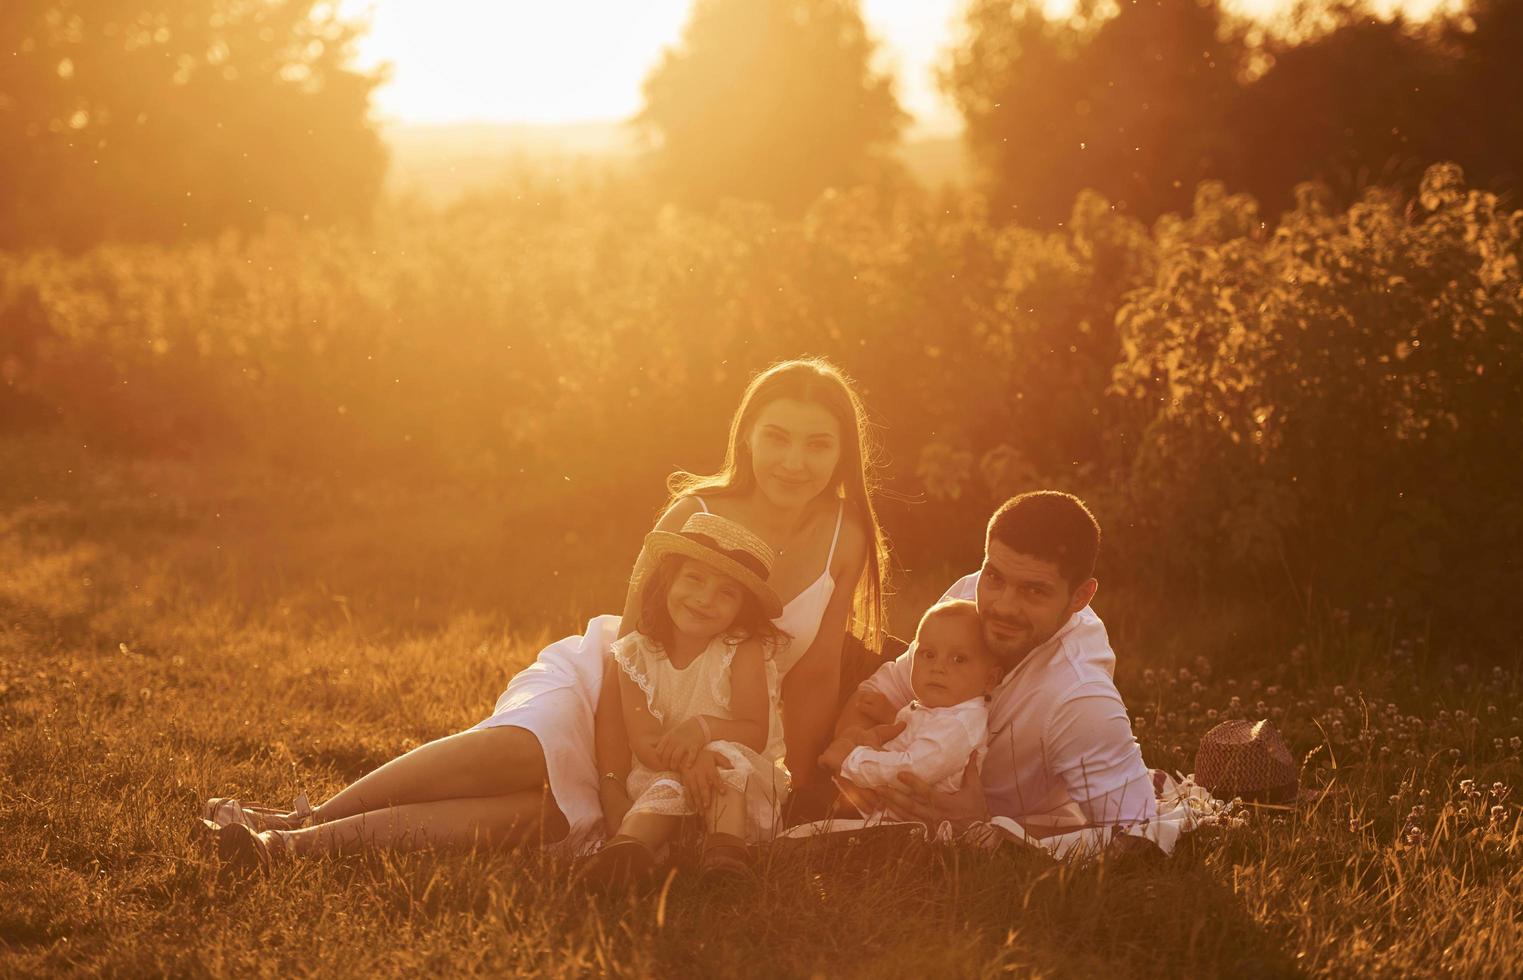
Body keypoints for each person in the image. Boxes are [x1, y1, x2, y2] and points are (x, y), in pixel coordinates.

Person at [203, 358, 885, 870]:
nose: (794, 461)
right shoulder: (693, 513)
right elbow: (629, 659)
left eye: (816, 444)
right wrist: (615, 779)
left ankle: (286, 848)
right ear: (748, 435)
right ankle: (309, 813)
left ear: (841, 453)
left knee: (537, 818)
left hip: (704, 731)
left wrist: (791, 789)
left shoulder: (843, 534)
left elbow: (815, 673)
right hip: (612, 691)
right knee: (519, 751)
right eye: (777, 436)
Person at [833, 491, 1154, 836]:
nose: (1002, 606)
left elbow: (1138, 831)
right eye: (994, 577)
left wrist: (985, 825)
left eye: (1034, 591)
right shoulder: (970, 595)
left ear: (1080, 596)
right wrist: (852, 769)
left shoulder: (1080, 699)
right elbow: (876, 692)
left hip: (1009, 835)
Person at [572, 513, 789, 890]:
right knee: (666, 787)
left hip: (739, 784)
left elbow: (754, 732)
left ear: (743, 607)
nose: (706, 599)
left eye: (727, 592)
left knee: (725, 756)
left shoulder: (741, 650)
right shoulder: (634, 654)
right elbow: (644, 739)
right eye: (694, 578)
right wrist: (690, 760)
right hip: (664, 768)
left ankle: (726, 853)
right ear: (667, 579)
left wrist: (701, 731)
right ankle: (627, 851)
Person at [817, 599, 999, 811]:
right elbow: (920, 737)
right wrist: (891, 717)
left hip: (911, 823)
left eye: (959, 659)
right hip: (884, 807)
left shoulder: (961, 725)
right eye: (928, 655)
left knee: (809, 812)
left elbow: (911, 771)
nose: (938, 667)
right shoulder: (945, 711)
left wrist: (850, 760)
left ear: (990, 680)